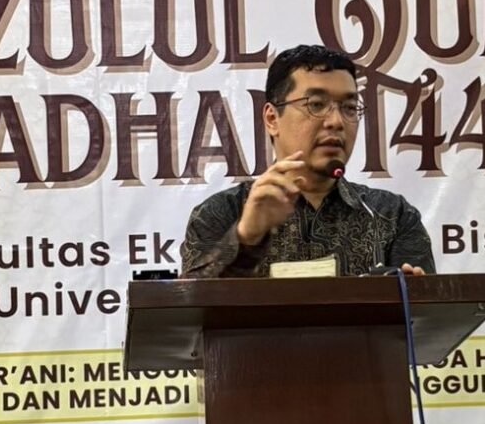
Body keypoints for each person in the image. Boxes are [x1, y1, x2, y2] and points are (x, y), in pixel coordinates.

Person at [180, 44, 436, 278]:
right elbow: (191, 305)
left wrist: (415, 297)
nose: (336, 121)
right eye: (316, 104)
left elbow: (427, 312)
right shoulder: (221, 213)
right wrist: (245, 237)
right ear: (272, 119)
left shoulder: (392, 216)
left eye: (349, 107)